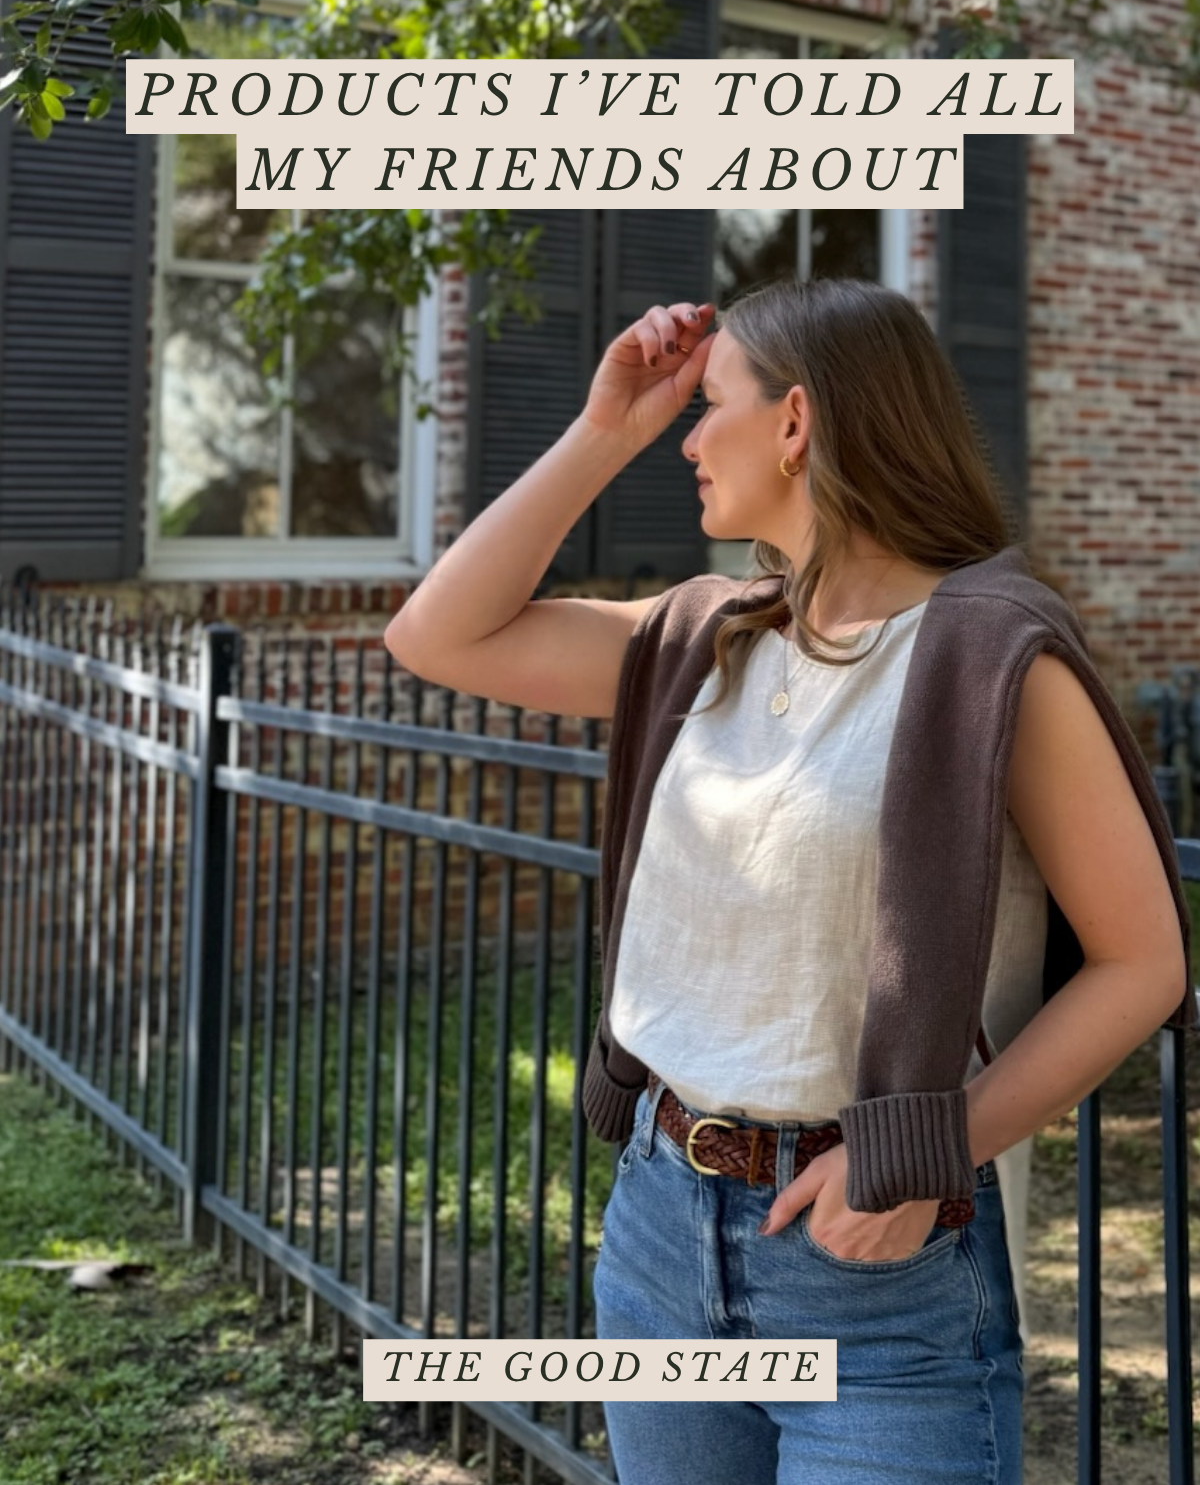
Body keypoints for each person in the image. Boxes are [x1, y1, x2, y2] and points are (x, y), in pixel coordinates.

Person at [383, 277, 1190, 1485]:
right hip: (660, 1226)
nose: (687, 439)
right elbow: (436, 635)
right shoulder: (706, 632)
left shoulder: (989, 652)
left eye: (706, 408)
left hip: (878, 1275)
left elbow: (1143, 963)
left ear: (798, 423)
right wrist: (606, 428)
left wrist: (921, 1155)